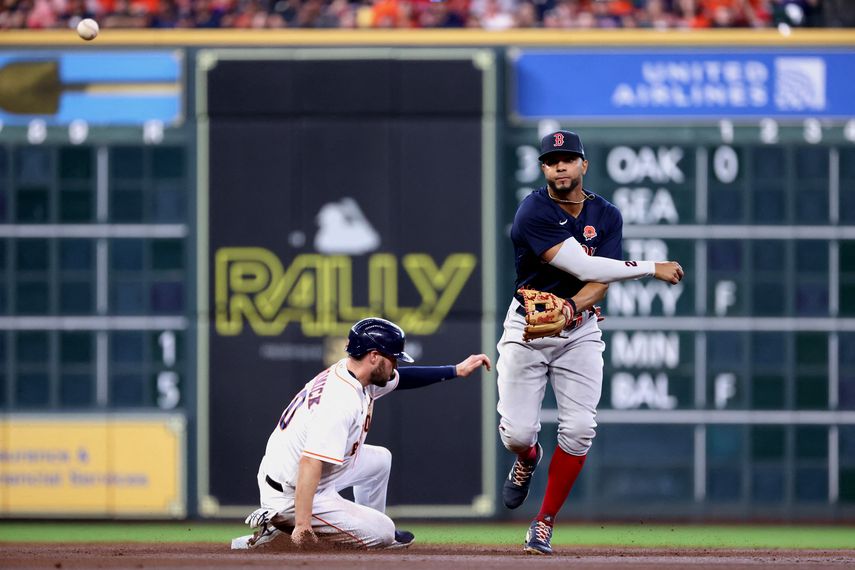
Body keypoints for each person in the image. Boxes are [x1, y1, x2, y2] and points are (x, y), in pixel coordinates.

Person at [496, 130, 684, 555]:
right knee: (516, 433)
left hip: (579, 332)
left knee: (580, 430)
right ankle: (527, 458)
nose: (559, 166)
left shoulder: (607, 214)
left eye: (567, 158)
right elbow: (581, 262)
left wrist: (571, 309)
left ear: (584, 165)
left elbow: (599, 279)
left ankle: (543, 522)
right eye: (550, 160)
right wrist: (651, 266)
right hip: (528, 328)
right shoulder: (533, 211)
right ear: (542, 168)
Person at [232, 317, 491, 550]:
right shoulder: (340, 400)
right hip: (293, 490)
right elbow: (309, 462)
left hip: (297, 474)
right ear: (375, 356)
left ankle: (361, 525)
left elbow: (404, 378)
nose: (396, 365)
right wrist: (301, 526)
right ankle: (279, 529)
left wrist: (455, 370)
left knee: (379, 460)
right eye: (394, 358)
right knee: (383, 532)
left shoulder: (357, 375)